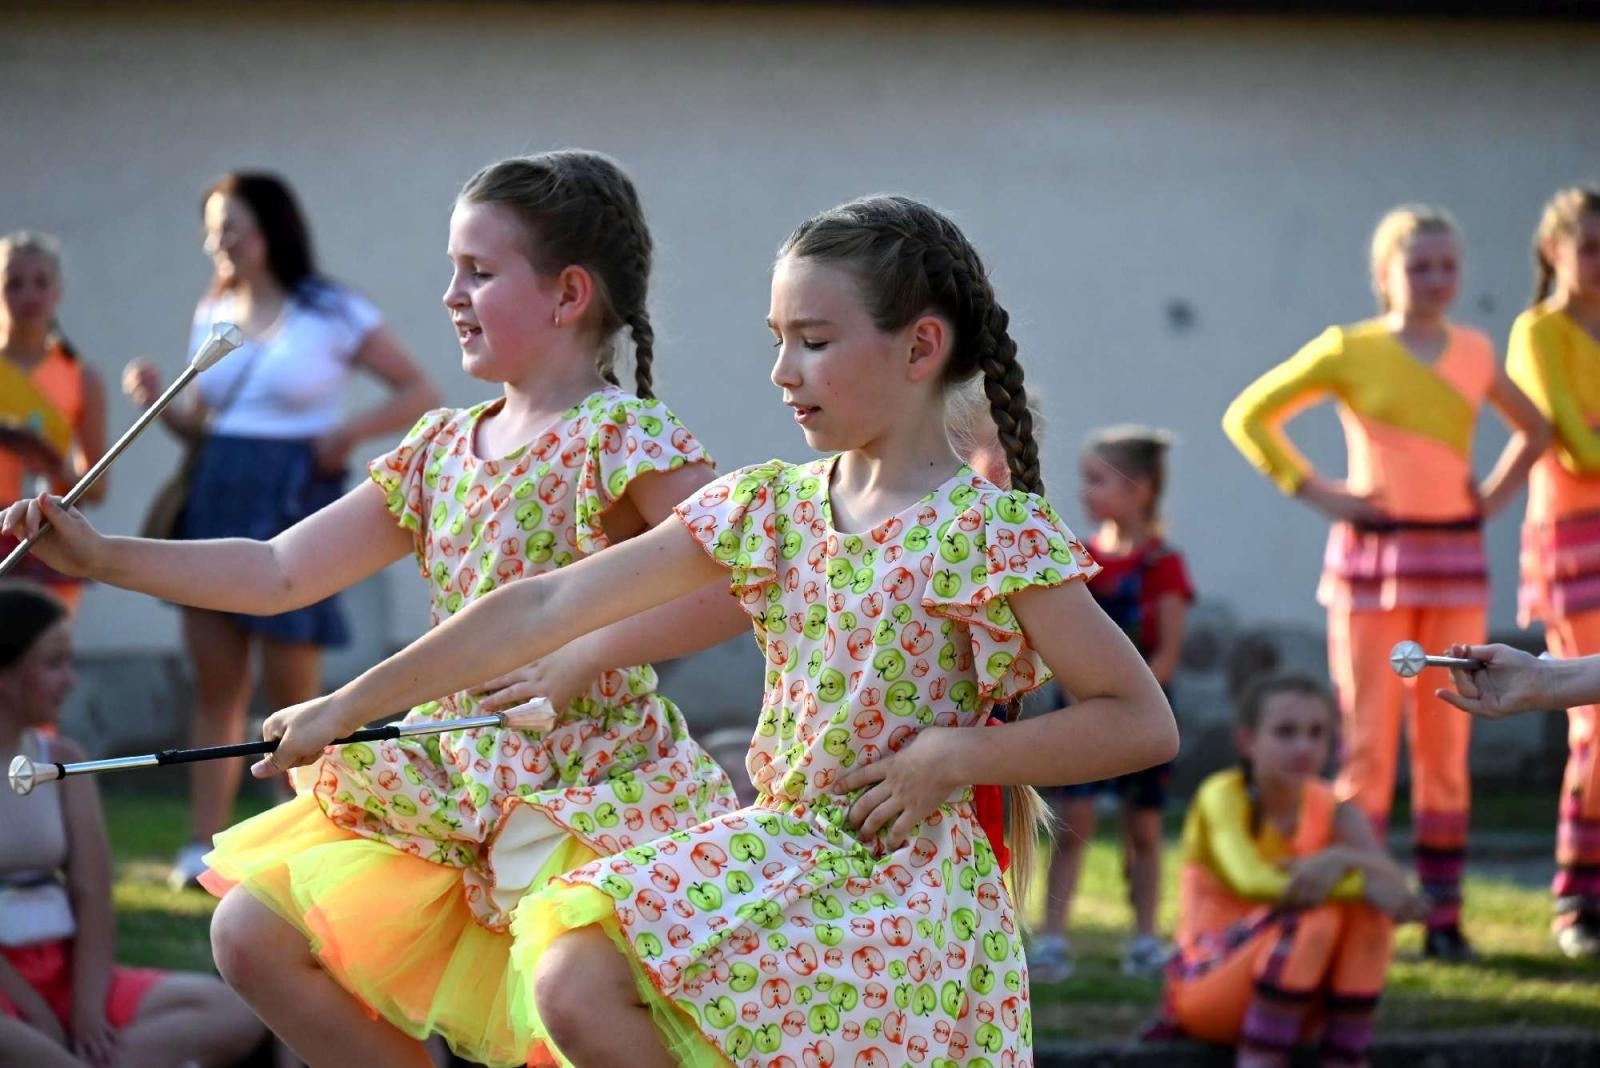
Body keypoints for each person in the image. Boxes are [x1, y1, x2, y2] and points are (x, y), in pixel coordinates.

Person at [211, 193, 1180, 1067]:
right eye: (777, 339)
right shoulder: (771, 507)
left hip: (905, 899)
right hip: (785, 851)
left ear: (920, 347)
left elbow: (1139, 722)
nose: (781, 372)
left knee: (574, 972)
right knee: (570, 968)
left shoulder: (986, 532)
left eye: (813, 341)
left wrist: (957, 756)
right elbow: (542, 606)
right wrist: (347, 707)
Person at [2, 150, 738, 1067]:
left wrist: (586, 651)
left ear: (568, 293)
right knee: (250, 931)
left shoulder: (624, 436)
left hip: (584, 793)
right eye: (452, 269)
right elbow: (277, 570)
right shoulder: (439, 447)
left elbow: (734, 582)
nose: (450, 295)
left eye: (479, 271)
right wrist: (105, 557)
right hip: (447, 778)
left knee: (561, 1010)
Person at [1222, 204, 1550, 959]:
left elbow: (1535, 431)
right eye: (1418, 265)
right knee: (1369, 741)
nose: (1435, 279)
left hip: (1455, 566)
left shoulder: (1476, 350)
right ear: (1385, 274)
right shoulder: (1350, 349)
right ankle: (1356, 911)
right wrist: (1322, 494)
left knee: (1448, 740)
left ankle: (1442, 919)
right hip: (1371, 568)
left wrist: (1490, 499)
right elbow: (1250, 418)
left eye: (1447, 266)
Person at [120, 172, 440, 889]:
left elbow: (419, 390)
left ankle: (299, 840)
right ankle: (203, 846)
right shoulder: (214, 307)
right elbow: (204, 426)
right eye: (212, 229)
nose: (219, 242)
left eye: (231, 227)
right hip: (219, 490)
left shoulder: (332, 308)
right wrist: (158, 403)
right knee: (217, 680)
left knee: (292, 687)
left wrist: (347, 433)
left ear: (270, 230)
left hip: (296, 494)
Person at [0, 584, 265, 1067]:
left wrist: (86, 1009)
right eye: (53, 664)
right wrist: (36, 1013)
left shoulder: (61, 761)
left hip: (62, 970)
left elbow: (93, 894)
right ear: (5, 673)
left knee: (232, 1010)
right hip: (6, 989)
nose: (70, 681)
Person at [1156, 673, 1425, 1067]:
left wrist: (1342, 859)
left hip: (1302, 1000)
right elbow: (1253, 881)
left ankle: (1346, 1057)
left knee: (1369, 918)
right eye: (1285, 732)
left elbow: (1401, 900)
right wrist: (1356, 882)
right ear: (1247, 741)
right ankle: (1260, 1060)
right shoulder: (1222, 796)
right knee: (1315, 919)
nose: (1304, 747)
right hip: (1211, 987)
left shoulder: (1334, 807)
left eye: (1317, 733)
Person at [1032, 425, 1193, 983]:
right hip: (1079, 716)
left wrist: (1125, 705)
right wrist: (1085, 700)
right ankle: (1052, 939)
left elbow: (1167, 653)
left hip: (1145, 719)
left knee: (1143, 829)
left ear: (1140, 490)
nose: (1085, 492)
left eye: (1098, 480)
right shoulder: (1078, 559)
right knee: (1072, 823)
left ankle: (1145, 938)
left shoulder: (1163, 563)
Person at [1502, 185, 1600, 956]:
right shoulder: (1538, 330)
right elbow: (1577, 443)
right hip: (1575, 544)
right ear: (1553, 251)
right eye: (1589, 247)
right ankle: (1576, 895)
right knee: (1593, 717)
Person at [0, 232, 108, 612]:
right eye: (14, 284)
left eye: (40, 282)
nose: (28, 295)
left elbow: (96, 488)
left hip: (44, 529)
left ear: (57, 292)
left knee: (45, 644)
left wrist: (50, 459)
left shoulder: (82, 378)